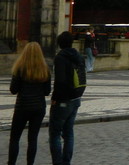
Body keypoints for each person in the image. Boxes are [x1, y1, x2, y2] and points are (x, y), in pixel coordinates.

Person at [8, 42, 51, 165]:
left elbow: (13, 90)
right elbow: (47, 92)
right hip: (38, 107)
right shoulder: (45, 69)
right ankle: (30, 163)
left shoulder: (20, 68)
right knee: (32, 139)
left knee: (15, 138)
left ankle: (11, 163)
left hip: (22, 106)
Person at [49, 31, 85, 165]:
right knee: (69, 133)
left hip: (63, 101)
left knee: (55, 133)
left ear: (59, 44)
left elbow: (60, 82)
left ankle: (57, 162)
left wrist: (55, 98)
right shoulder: (79, 57)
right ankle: (66, 162)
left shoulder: (60, 58)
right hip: (76, 98)